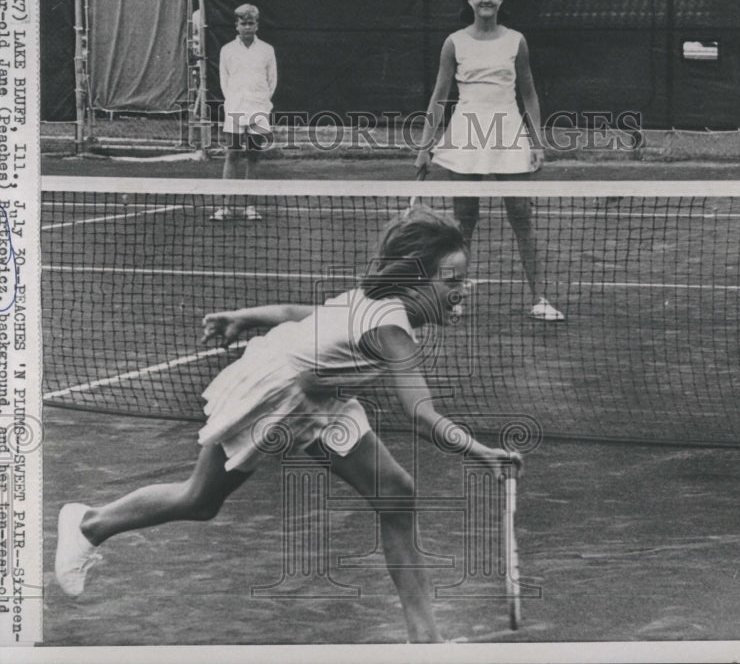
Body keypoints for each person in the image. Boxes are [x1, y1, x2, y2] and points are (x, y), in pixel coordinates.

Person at [54, 206, 520, 644]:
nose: (462, 289)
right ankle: (89, 524)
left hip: (322, 396)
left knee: (396, 493)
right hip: (275, 393)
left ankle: (426, 643)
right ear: (416, 281)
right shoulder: (392, 327)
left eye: (464, 279)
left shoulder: (379, 303)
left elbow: (303, 316)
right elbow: (420, 413)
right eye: (452, 280)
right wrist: (481, 452)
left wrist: (247, 316)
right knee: (200, 501)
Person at [415, 0, 564, 322]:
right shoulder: (454, 42)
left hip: (508, 132)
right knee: (462, 223)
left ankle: (540, 299)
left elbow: (528, 92)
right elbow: (439, 96)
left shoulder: (516, 41)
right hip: (467, 134)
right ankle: (452, 299)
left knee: (522, 218)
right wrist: (424, 146)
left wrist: (537, 142)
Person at [211, 3, 277, 222]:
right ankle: (225, 207)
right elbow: (224, 81)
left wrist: (261, 102)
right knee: (232, 154)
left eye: (251, 23)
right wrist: (234, 103)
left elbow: (272, 81)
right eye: (243, 23)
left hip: (258, 108)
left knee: (253, 156)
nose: (247, 27)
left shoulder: (267, 50)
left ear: (257, 25)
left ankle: (250, 207)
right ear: (236, 25)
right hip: (236, 108)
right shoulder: (227, 50)